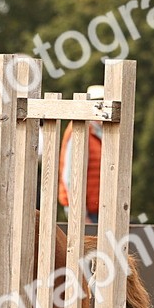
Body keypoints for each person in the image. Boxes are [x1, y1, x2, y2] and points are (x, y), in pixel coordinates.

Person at [58, 85, 104, 223]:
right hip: (84, 211)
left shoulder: (98, 133)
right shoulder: (80, 131)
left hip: (97, 208)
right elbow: (71, 176)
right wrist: (80, 214)